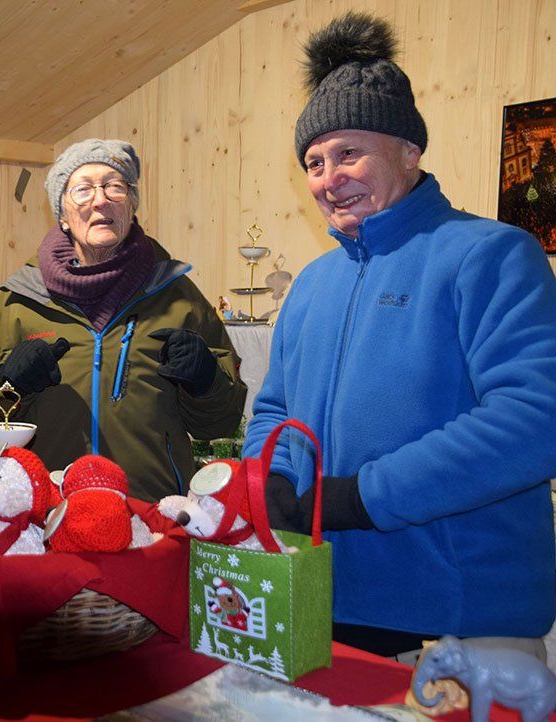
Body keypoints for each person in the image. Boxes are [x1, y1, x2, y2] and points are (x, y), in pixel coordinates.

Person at [243, 12, 556, 661]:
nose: (330, 178)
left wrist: (364, 496)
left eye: (349, 153)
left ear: (409, 151)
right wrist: (264, 480)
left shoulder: (490, 256)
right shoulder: (312, 283)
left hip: (456, 616)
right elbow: (274, 408)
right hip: (325, 596)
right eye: (314, 161)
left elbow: (536, 420)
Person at [0, 138, 246, 501]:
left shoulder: (178, 296)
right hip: (46, 514)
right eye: (82, 189)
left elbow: (220, 421)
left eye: (115, 186)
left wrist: (205, 379)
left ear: (132, 206)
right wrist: (7, 378)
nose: (100, 199)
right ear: (61, 215)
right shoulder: (19, 301)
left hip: (151, 515)